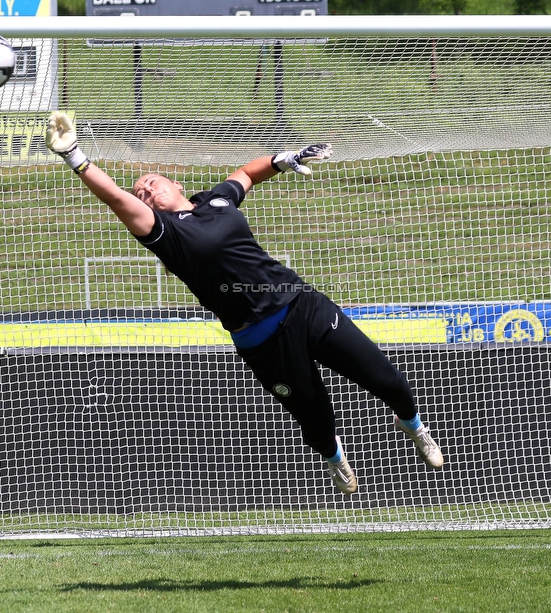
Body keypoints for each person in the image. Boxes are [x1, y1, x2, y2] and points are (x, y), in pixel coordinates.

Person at [45, 111, 443, 494]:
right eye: (142, 193)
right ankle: (336, 459)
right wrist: (74, 156)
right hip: (262, 340)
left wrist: (284, 159)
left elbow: (247, 174)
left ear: (176, 183)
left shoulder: (216, 201)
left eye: (151, 182)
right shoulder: (163, 232)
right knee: (317, 420)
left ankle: (415, 429)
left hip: (303, 306)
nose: (147, 190)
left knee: (386, 379)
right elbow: (115, 196)